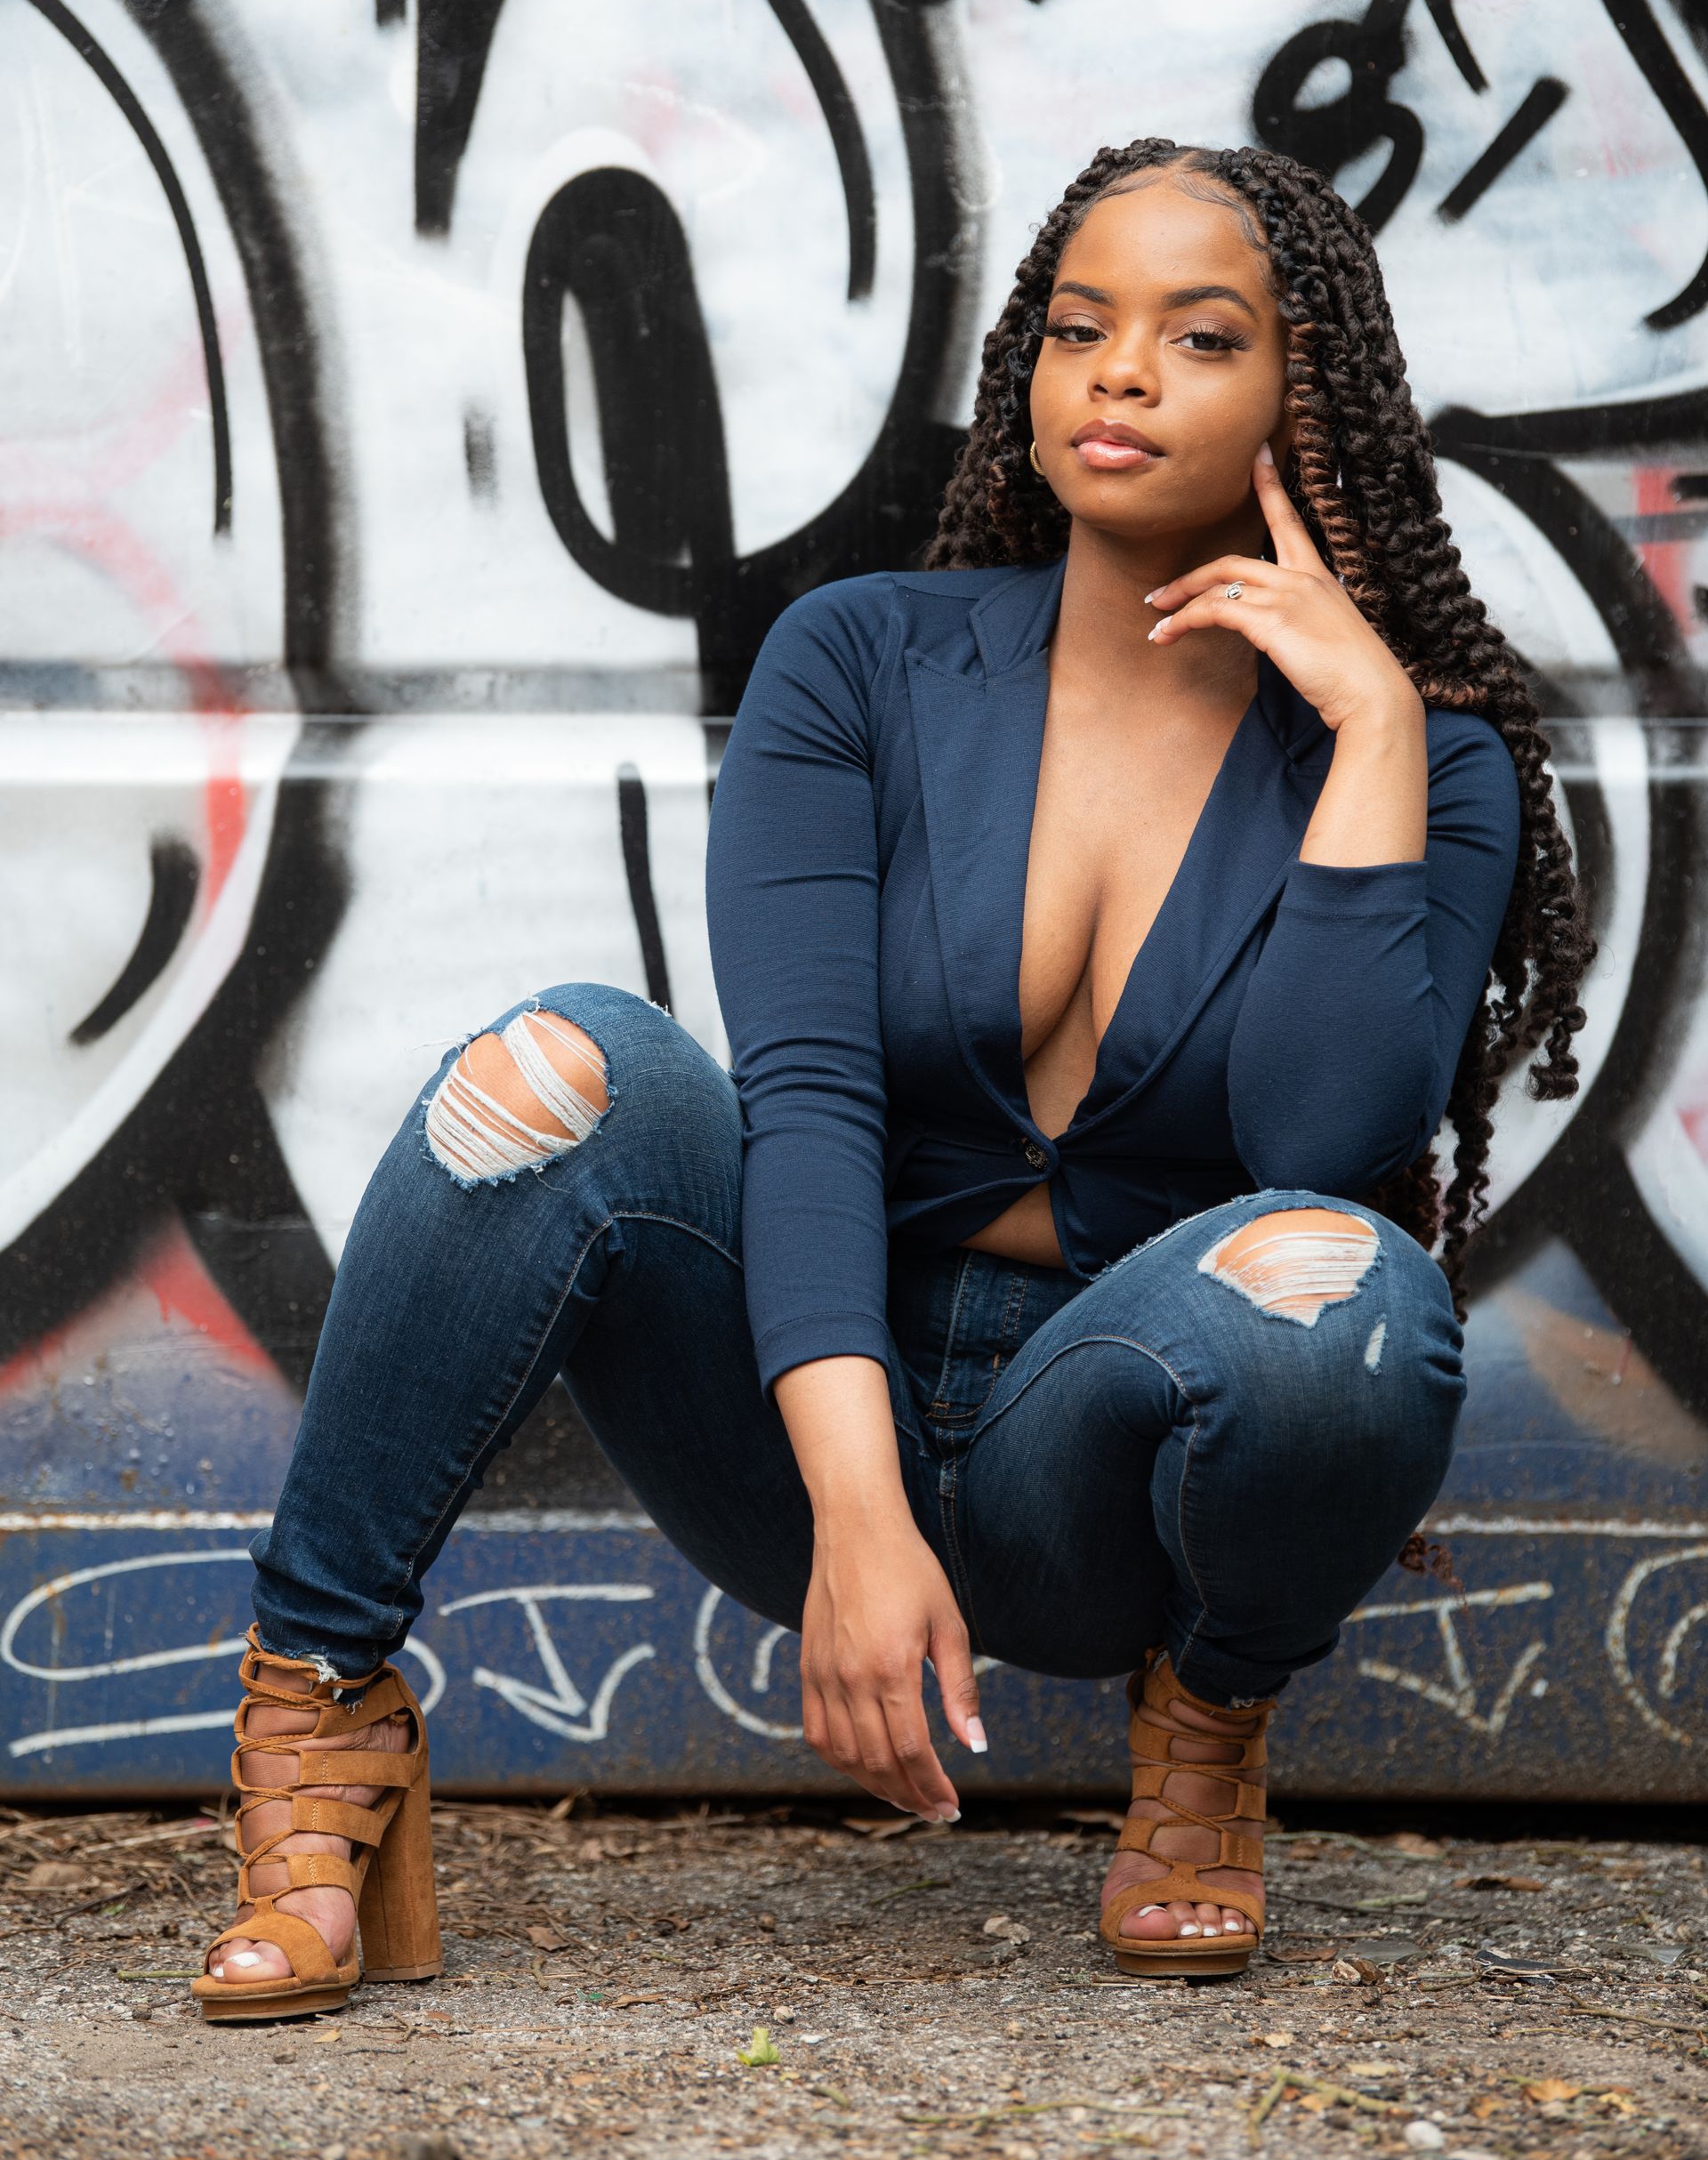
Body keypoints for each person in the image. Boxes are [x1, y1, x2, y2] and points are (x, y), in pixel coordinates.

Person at [195, 139, 1589, 2021]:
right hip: (797, 1390)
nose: (1118, 371)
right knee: (550, 1070)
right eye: (1080, 325)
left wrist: (1371, 733)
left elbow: (1323, 1155)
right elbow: (813, 1099)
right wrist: (854, 1513)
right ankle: (321, 1713)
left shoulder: (1432, 768)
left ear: (1305, 396)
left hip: (1105, 1455)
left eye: (1199, 335)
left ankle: (1206, 1721)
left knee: (1356, 1300)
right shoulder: (860, 661)